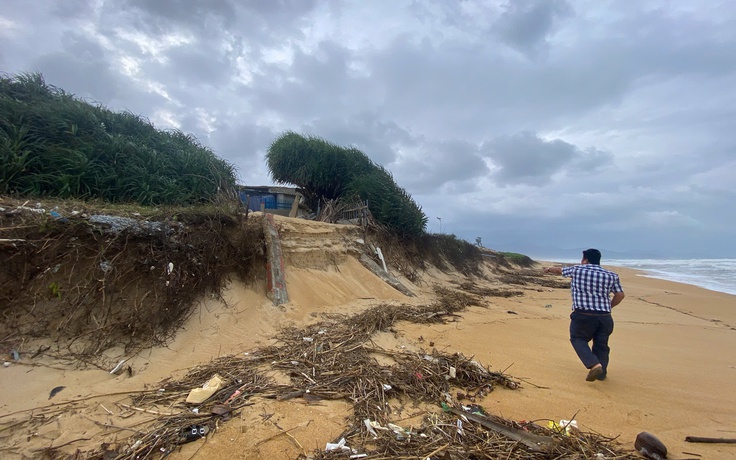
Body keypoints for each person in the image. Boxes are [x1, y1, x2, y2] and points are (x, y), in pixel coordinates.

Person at [543, 249, 625, 382]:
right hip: (605, 317)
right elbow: (620, 295)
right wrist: (609, 307)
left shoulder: (578, 270)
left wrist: (548, 269)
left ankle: (594, 364)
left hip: (583, 315)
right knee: (601, 344)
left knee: (578, 339)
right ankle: (601, 373)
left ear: (585, 260)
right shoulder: (611, 275)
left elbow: (559, 270)